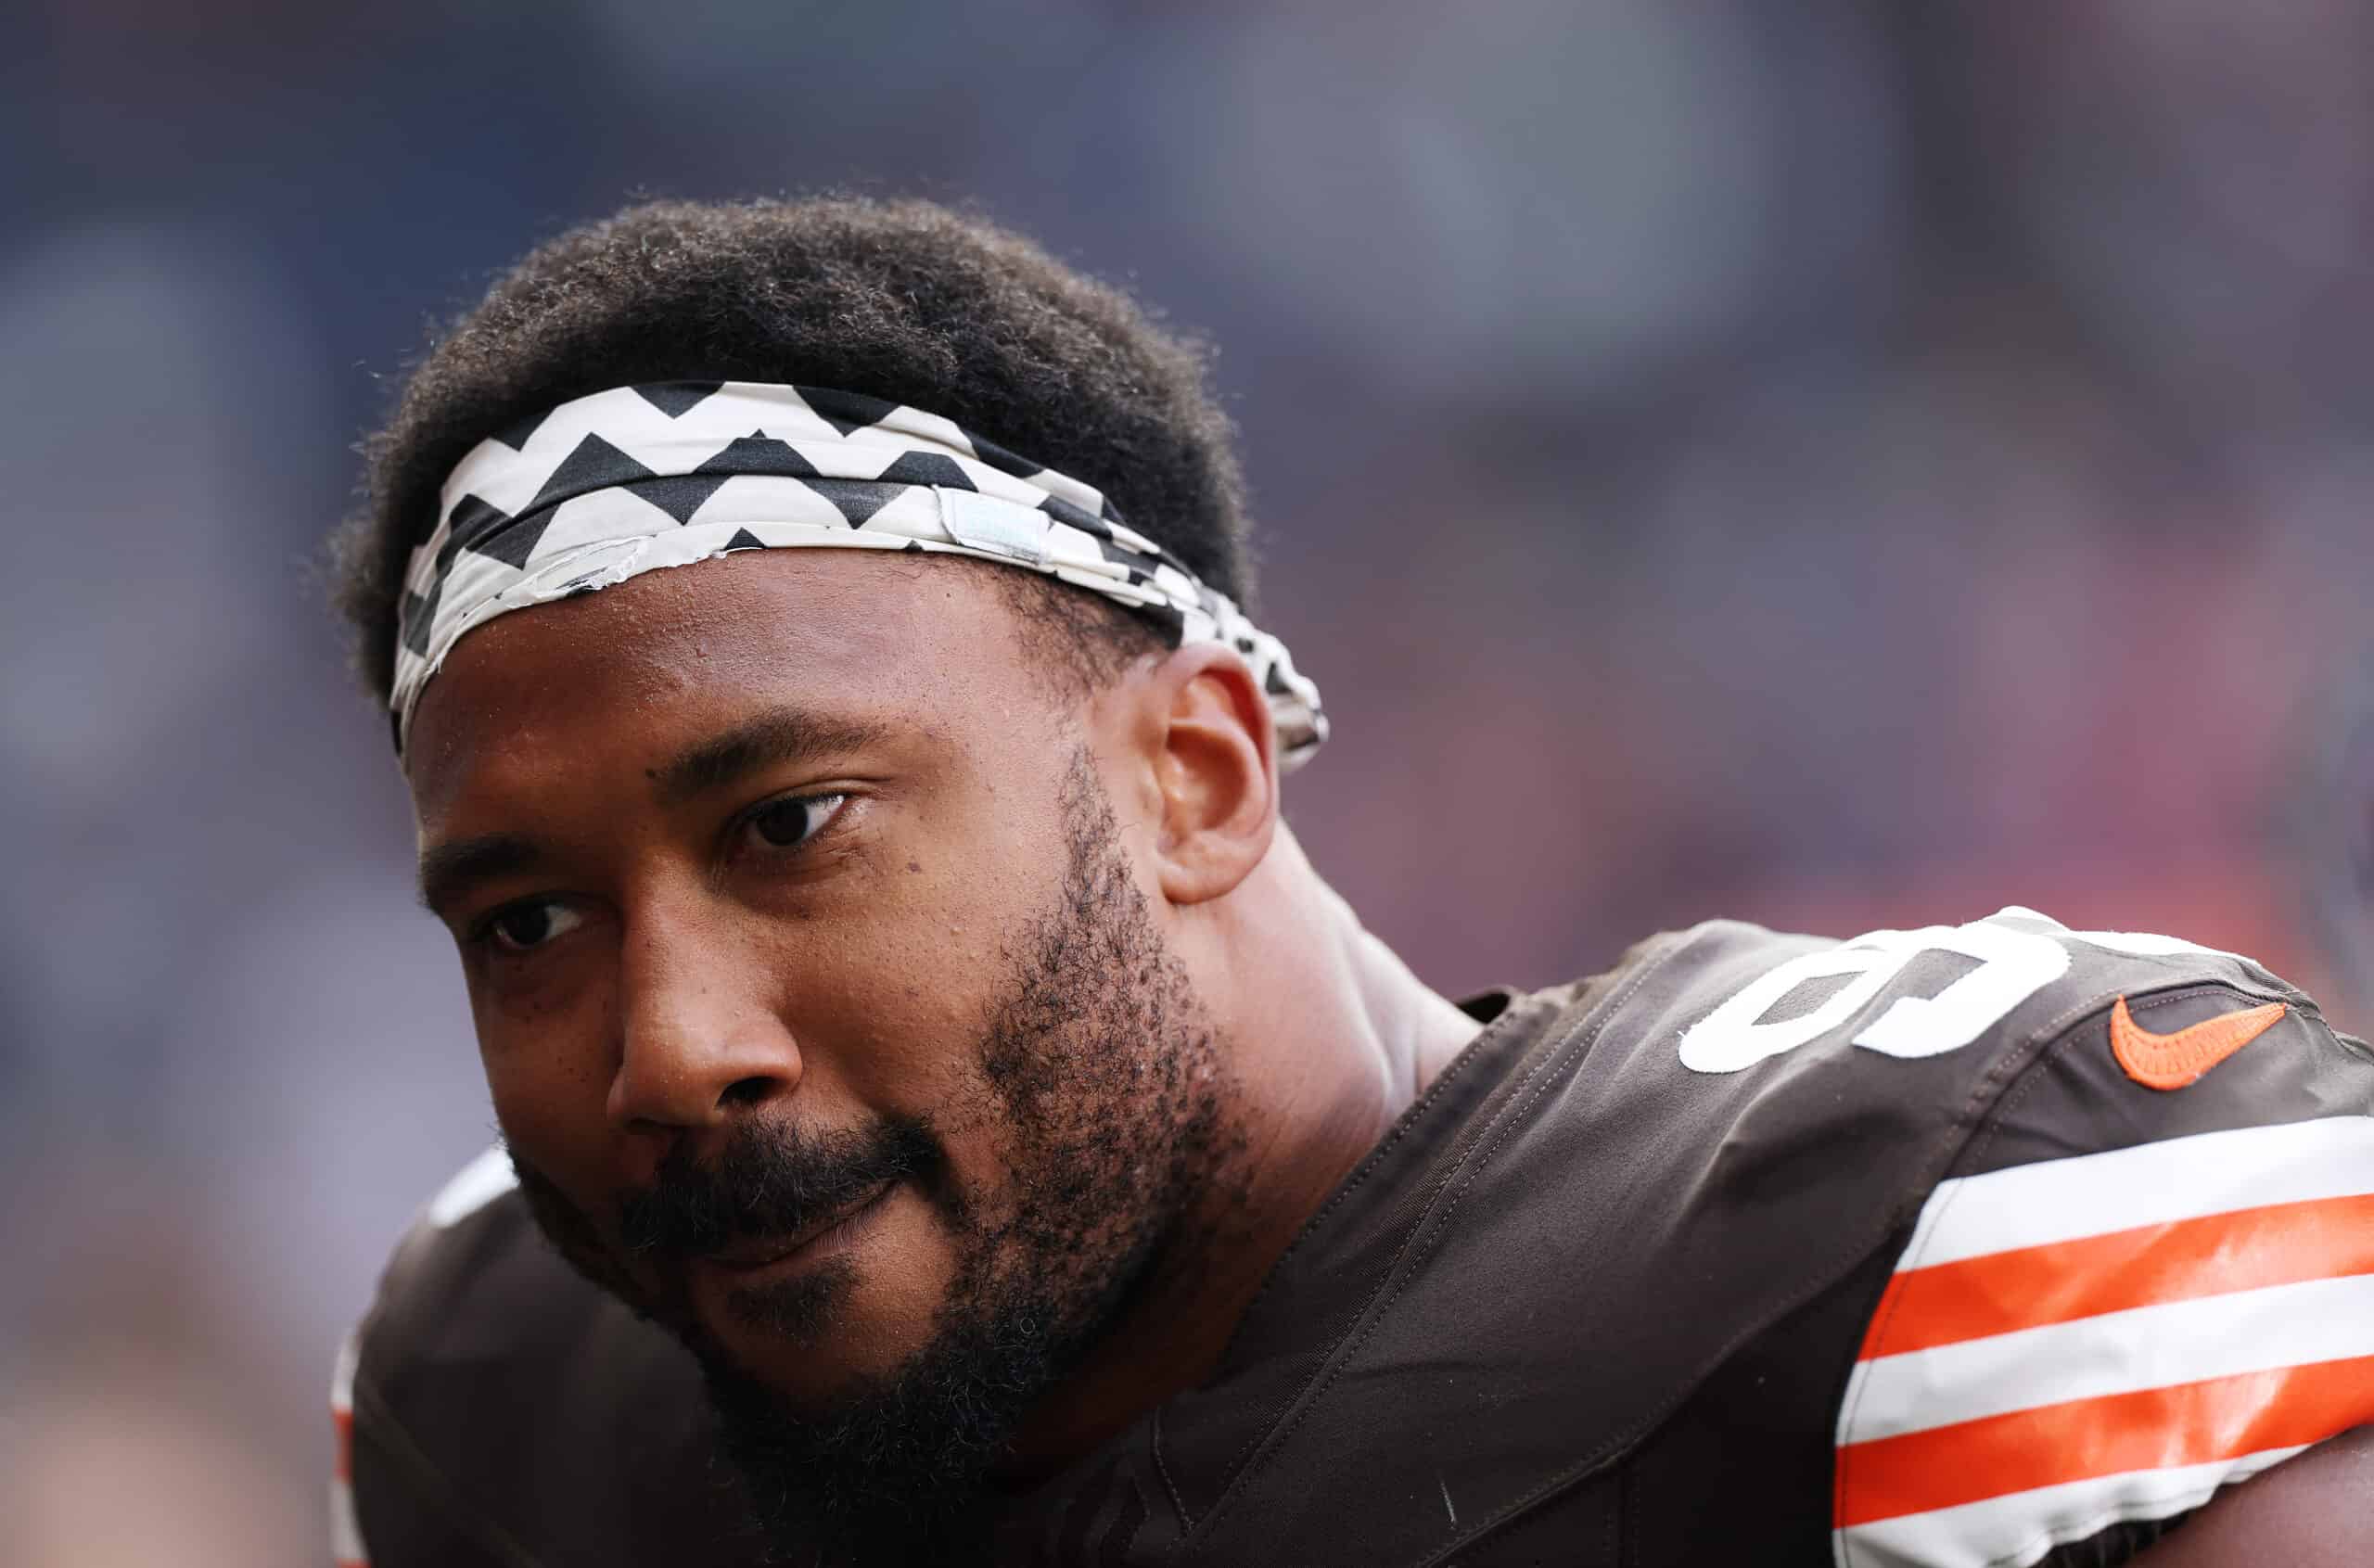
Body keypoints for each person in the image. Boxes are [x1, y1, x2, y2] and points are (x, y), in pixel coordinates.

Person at [326, 197, 2374, 1568]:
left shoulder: (1939, 1222)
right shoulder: (507, 1389)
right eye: (527, 923)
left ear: (1194, 776)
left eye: (791, 827)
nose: (669, 1051)